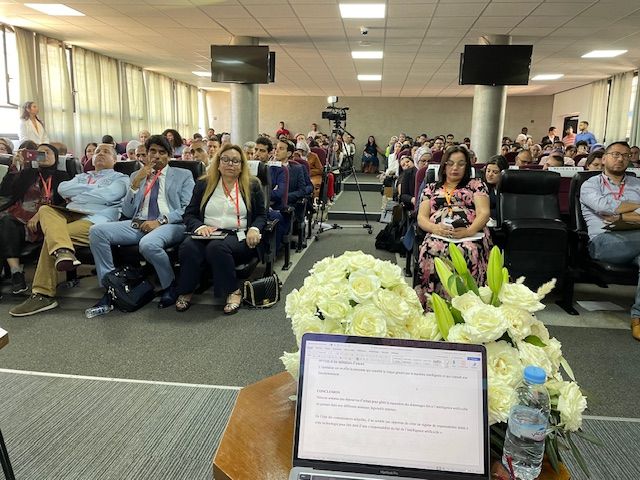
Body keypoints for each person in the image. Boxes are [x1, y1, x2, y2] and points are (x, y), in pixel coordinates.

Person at [9, 143, 129, 317]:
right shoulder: (81, 176)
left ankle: (43, 294)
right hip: (71, 212)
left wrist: (80, 192)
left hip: (97, 217)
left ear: (115, 158)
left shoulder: (121, 178)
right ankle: (63, 251)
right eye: (97, 152)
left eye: (106, 152)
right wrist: (94, 189)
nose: (100, 154)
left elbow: (109, 195)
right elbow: (63, 189)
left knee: (54, 236)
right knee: (45, 210)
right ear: (91, 158)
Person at [88, 135, 195, 310]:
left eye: (162, 152)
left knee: (148, 244)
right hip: (139, 223)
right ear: (146, 153)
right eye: (152, 151)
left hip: (171, 224)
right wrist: (135, 184)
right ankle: (111, 287)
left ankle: (170, 285)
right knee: (97, 232)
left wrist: (160, 221)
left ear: (169, 156)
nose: (156, 156)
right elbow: (129, 212)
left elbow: (187, 209)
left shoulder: (183, 175)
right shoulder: (137, 176)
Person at [175, 144, 266, 314]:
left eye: (235, 161)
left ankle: (233, 291)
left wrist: (254, 228)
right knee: (188, 246)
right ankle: (186, 289)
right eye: (225, 159)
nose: (230, 164)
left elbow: (262, 215)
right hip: (208, 233)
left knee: (217, 247)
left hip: (238, 235)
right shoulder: (204, 184)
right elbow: (189, 214)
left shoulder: (252, 185)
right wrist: (200, 226)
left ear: (241, 166)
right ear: (218, 163)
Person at [415, 146, 491, 308]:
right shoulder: (431, 188)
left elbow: (483, 213)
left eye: (461, 164)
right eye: (450, 163)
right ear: (443, 166)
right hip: (438, 233)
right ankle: (433, 305)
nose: (455, 168)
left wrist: (468, 231)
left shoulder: (476, 185)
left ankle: (467, 306)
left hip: (470, 234)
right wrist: (435, 228)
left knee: (469, 250)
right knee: (430, 248)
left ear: (468, 166)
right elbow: (421, 217)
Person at [579, 141, 640, 340]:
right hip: (604, 241)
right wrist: (631, 209)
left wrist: (623, 215)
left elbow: (613, 209)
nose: (620, 158)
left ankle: (637, 318)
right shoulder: (590, 184)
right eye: (615, 154)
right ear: (604, 158)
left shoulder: (637, 185)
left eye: (625, 155)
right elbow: (604, 207)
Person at [0, 144, 70, 296]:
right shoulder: (27, 173)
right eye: (40, 152)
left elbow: (66, 202)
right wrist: (15, 166)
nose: (43, 155)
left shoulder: (62, 176)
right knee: (6, 221)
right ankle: (16, 272)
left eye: (47, 152)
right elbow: (6, 192)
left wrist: (41, 214)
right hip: (20, 216)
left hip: (49, 217)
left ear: (56, 157)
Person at [484, 155, 508, 220]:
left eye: (495, 172)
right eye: (488, 171)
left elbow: (504, 212)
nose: (490, 175)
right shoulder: (481, 187)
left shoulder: (508, 190)